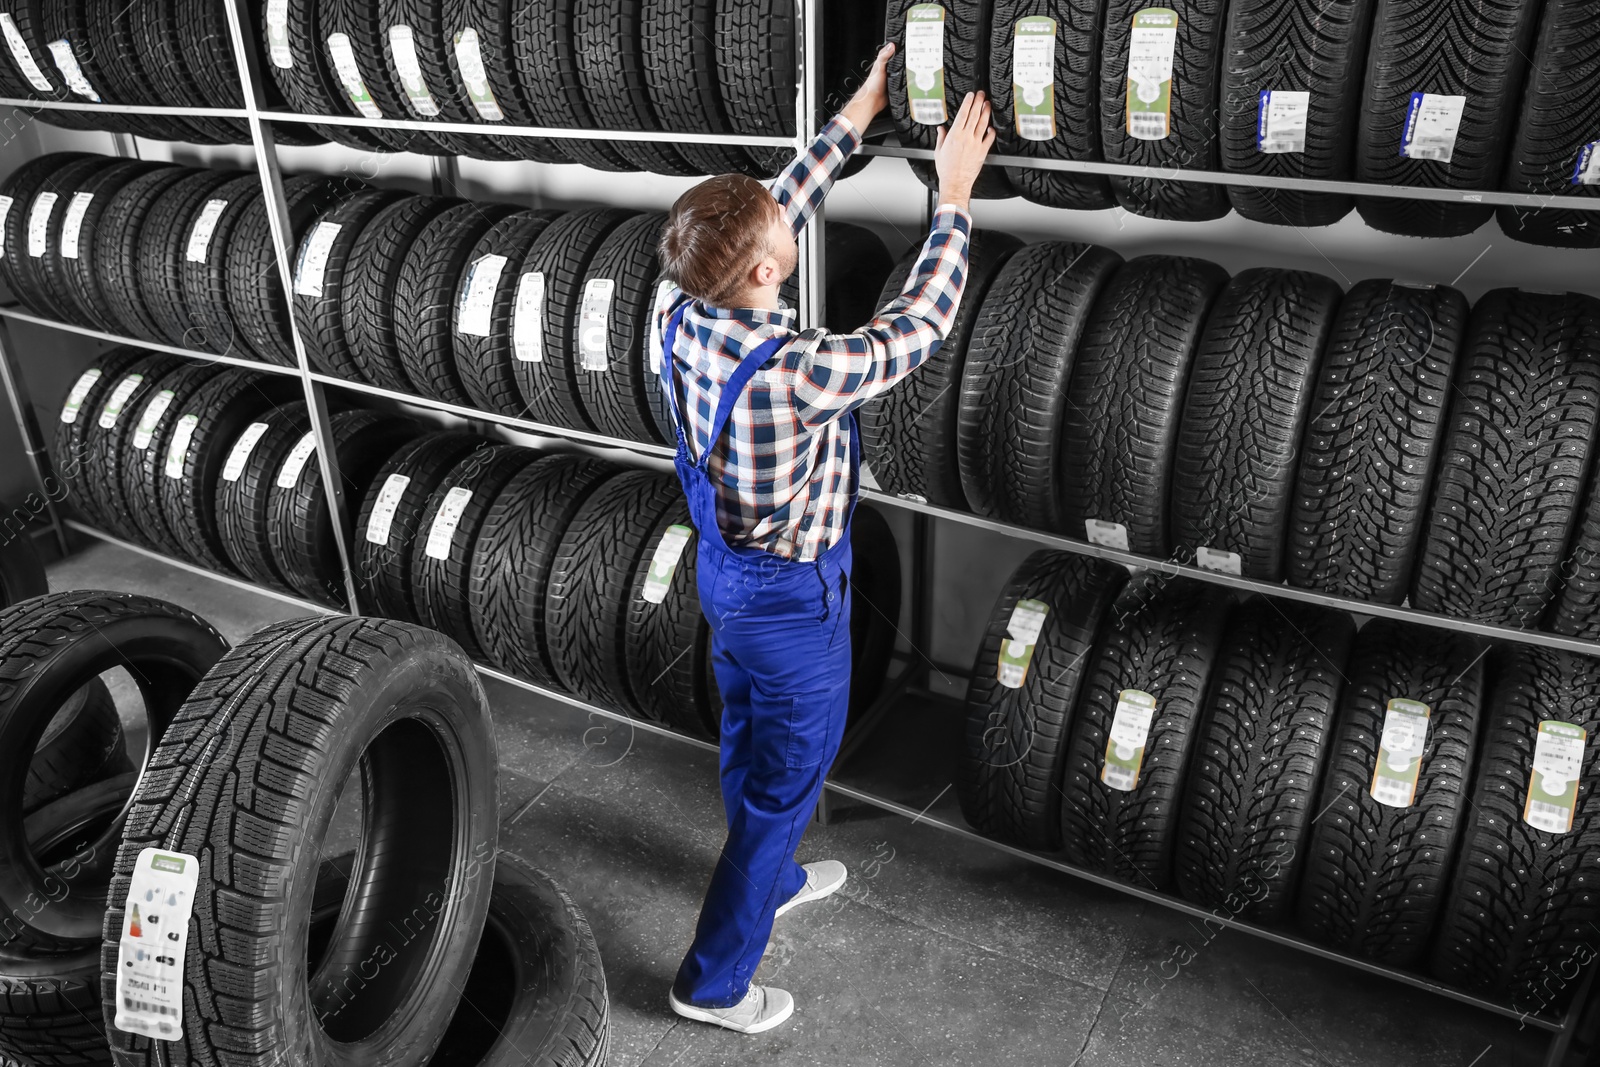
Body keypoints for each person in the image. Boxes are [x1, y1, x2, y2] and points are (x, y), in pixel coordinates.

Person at [653, 41, 996, 1034]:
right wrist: (954, 197)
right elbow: (920, 325)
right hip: (797, 601)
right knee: (783, 778)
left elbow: (764, 205)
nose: (780, 213)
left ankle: (773, 876)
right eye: (772, 228)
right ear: (764, 268)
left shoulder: (676, 313)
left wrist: (853, 121)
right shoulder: (799, 368)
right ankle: (712, 981)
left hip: (726, 577)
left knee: (746, 731)